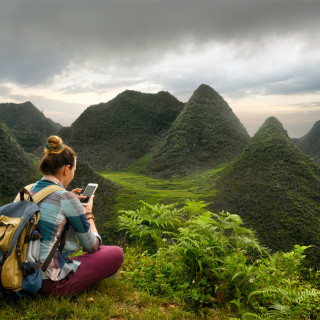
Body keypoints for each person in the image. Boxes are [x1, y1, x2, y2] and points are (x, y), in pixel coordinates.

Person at [29, 135, 124, 297]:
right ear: (67, 169)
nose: (73, 173)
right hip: (49, 284)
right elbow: (91, 246)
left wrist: (68, 201)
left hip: (22, 276)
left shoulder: (26, 191)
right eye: (74, 170)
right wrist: (87, 213)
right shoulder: (65, 198)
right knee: (115, 252)